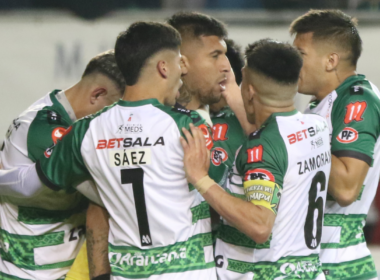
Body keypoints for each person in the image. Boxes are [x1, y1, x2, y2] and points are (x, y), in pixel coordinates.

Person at [28, 21, 217, 280]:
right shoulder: (187, 125)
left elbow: (33, 182)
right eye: (178, 63)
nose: (182, 72)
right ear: (163, 68)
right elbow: (222, 188)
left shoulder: (85, 132)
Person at [180, 39, 331, 280]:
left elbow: (260, 226)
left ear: (249, 90)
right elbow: (270, 132)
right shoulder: (317, 126)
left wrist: (201, 178)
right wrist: (233, 90)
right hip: (308, 272)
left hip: (265, 273)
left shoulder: (263, 145)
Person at [0, 50, 125, 280]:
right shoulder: (43, 128)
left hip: (64, 267)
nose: (118, 123)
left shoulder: (63, 117)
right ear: (97, 95)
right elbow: (111, 195)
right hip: (26, 272)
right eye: (116, 111)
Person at [290, 9, 380, 280]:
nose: (293, 64)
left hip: (338, 265)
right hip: (317, 260)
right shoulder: (320, 105)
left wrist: (296, 135)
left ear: (331, 61)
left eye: (301, 55)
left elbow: (346, 187)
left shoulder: (357, 99)